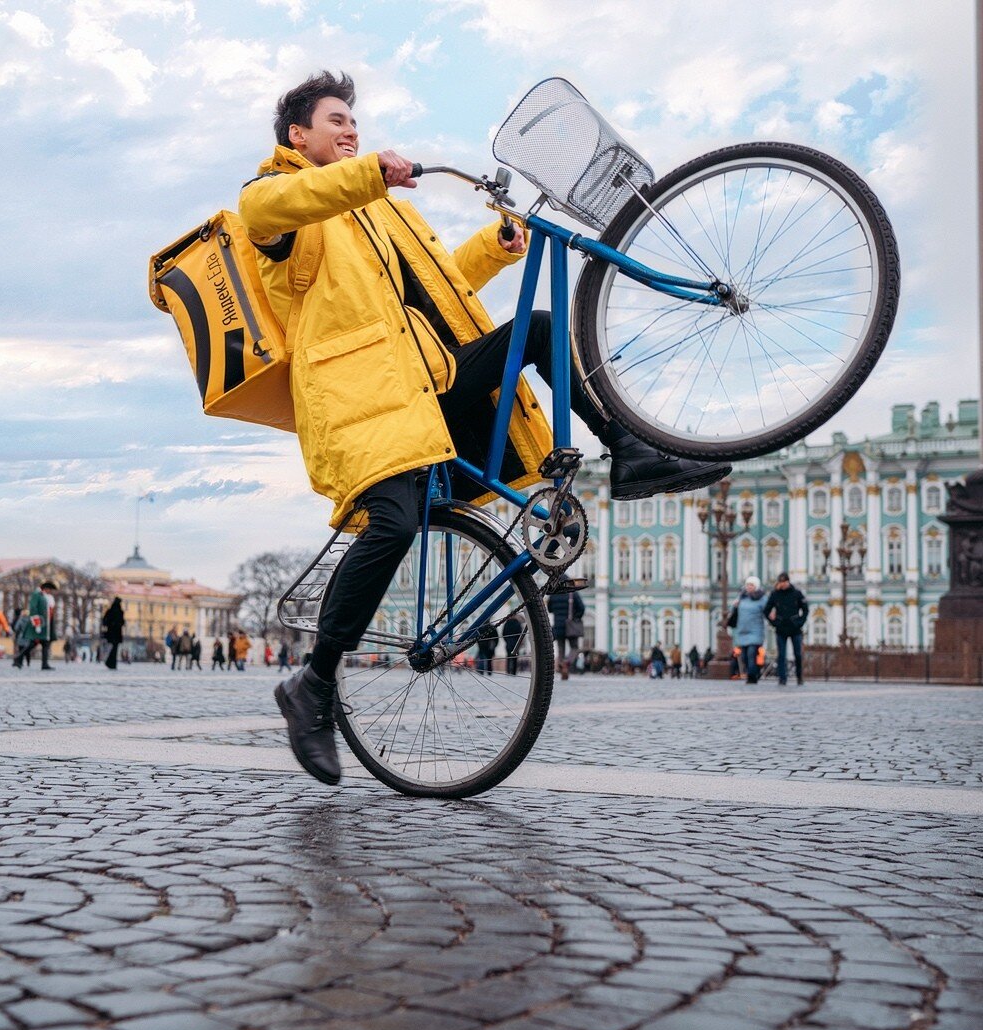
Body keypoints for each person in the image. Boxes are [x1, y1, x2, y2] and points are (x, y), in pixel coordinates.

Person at [248, 72, 731, 787]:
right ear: (298, 135)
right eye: (336, 120)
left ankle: (630, 452)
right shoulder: (272, 201)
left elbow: (441, 287)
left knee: (535, 328)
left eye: (354, 121)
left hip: (426, 385)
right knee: (394, 523)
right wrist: (366, 172)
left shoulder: (384, 216)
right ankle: (312, 685)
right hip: (357, 403)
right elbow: (288, 204)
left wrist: (495, 245)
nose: (350, 129)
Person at [764, 571, 809, 686]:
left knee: (797, 654)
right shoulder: (775, 594)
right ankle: (782, 678)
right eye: (781, 582)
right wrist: (774, 622)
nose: (782, 584)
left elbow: (805, 609)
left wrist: (800, 622)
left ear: (788, 581)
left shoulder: (796, 593)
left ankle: (799, 677)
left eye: (784, 582)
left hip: (795, 628)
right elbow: (766, 610)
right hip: (781, 628)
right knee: (781, 655)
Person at [729, 576, 767, 685]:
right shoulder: (741, 598)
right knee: (744, 656)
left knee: (751, 654)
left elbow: (767, 610)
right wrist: (734, 606)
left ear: (756, 586)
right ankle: (753, 672)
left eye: (752, 585)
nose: (749, 587)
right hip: (743, 631)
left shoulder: (762, 598)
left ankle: (752, 677)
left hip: (755, 631)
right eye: (748, 585)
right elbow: (733, 612)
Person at [13, 581, 58, 671]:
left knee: (45, 644)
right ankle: (18, 658)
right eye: (49, 589)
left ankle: (44, 664)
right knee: (32, 644)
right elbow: (33, 608)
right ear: (45, 588)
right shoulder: (37, 595)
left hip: (46, 626)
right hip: (39, 625)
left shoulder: (47, 597)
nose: (50, 591)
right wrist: (37, 623)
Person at [547, 588, 584, 680]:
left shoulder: (553, 594)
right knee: (574, 647)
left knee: (561, 648)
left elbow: (550, 609)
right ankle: (567, 663)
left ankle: (561, 664)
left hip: (558, 626)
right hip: (571, 625)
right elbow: (581, 608)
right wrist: (576, 617)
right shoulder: (573, 593)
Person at [101, 597, 125, 670]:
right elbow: (122, 622)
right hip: (116, 633)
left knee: (113, 648)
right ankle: (111, 663)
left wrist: (110, 624)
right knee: (115, 648)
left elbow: (104, 621)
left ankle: (110, 663)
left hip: (111, 633)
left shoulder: (110, 611)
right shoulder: (120, 612)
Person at [501, 611, 525, 677]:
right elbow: (520, 634)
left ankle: (508, 671)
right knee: (515, 658)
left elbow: (503, 633)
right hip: (515, 643)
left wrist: (506, 640)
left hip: (509, 642)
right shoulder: (517, 623)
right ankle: (513, 672)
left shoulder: (507, 623)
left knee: (509, 657)